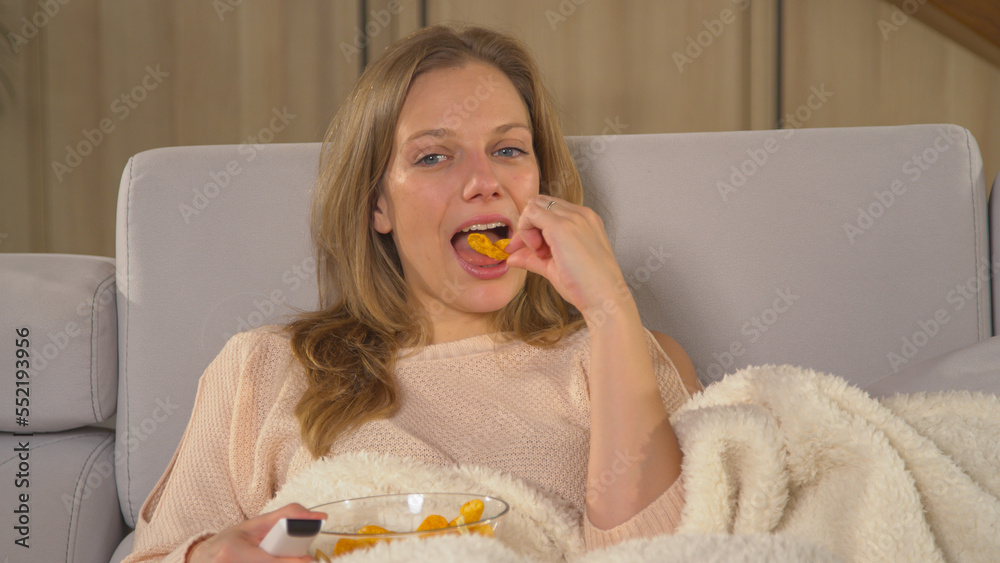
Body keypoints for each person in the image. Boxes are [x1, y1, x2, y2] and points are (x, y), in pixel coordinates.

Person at [123, 24, 703, 563]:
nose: (484, 182)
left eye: (508, 150)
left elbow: (659, 554)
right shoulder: (263, 369)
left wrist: (609, 308)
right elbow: (161, 554)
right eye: (433, 156)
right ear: (378, 205)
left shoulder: (624, 356)